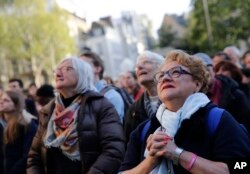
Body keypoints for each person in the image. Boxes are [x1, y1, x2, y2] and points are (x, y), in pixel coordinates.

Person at [120, 50, 250, 173]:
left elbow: (241, 167)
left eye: (176, 72)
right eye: (161, 75)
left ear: (197, 84)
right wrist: (150, 160)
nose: (166, 78)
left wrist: (178, 154)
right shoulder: (144, 130)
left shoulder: (217, 119)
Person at [27, 57, 125, 174]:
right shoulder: (48, 111)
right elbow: (34, 156)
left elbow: (113, 151)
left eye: (68, 69)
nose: (58, 73)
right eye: (57, 70)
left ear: (82, 75)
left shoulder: (101, 105)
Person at [124, 51, 164, 143]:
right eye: (137, 66)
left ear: (161, 67)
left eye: (146, 62)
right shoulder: (133, 110)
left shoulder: (176, 100)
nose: (139, 67)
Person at [79, 51, 125, 123]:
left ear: (97, 69)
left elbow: (111, 129)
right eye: (78, 66)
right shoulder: (80, 96)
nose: (79, 69)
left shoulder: (111, 96)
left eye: (84, 65)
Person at [0, 91, 37, 174]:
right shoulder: (1, 123)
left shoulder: (26, 124)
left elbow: (27, 154)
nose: (1, 102)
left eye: (6, 100)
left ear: (16, 105)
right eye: (1, 99)